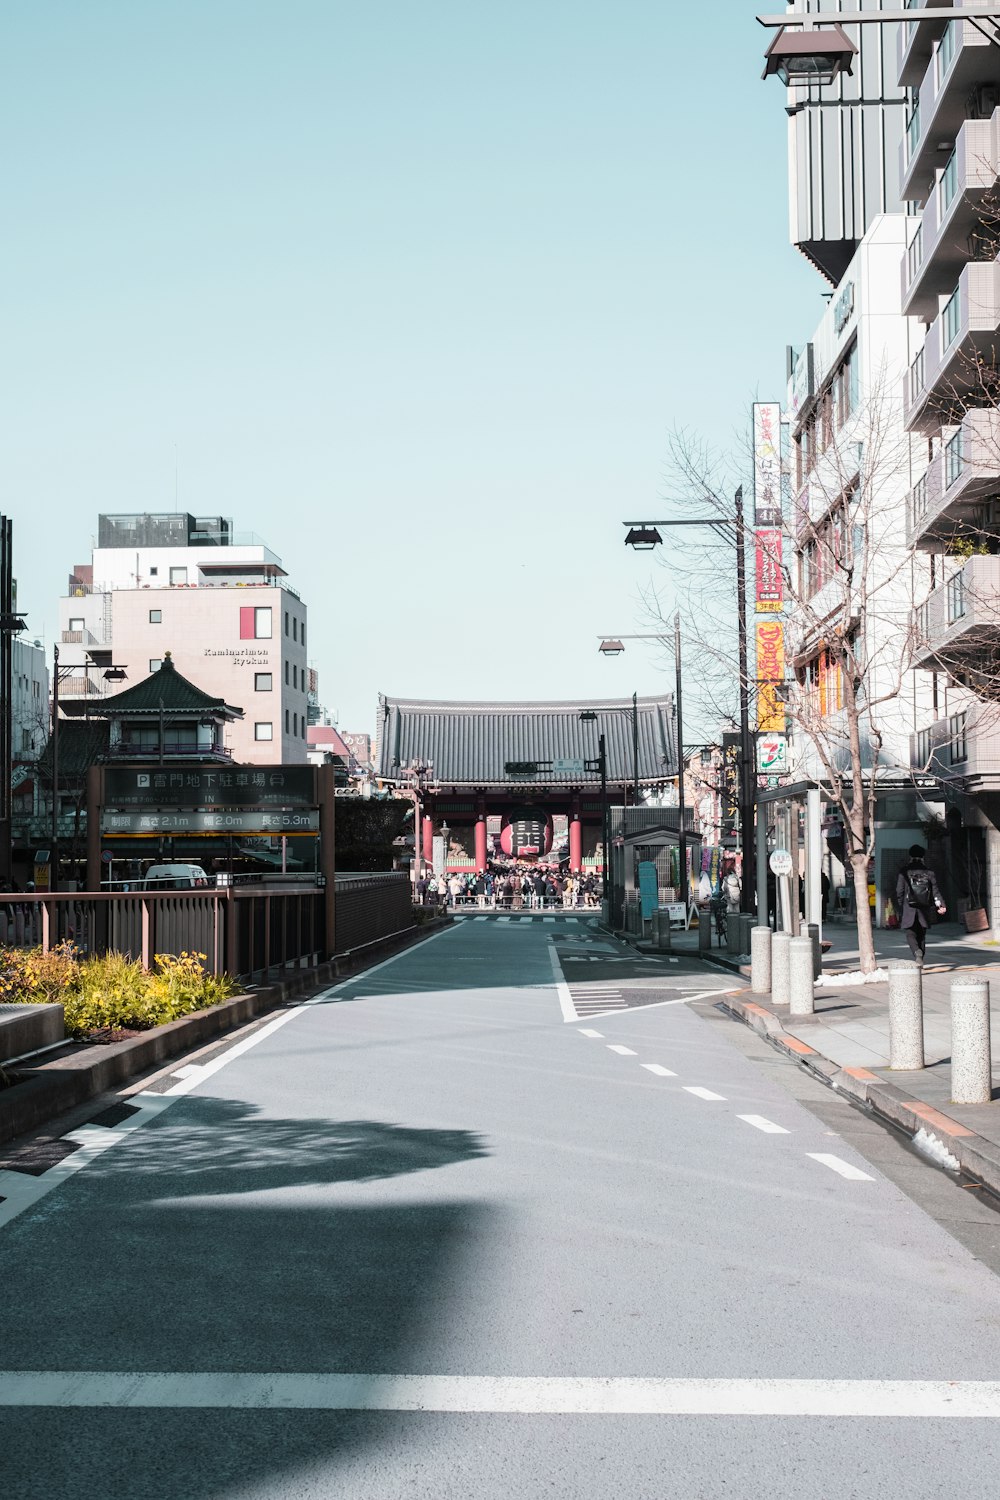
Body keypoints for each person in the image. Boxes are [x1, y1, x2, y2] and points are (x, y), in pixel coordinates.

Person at [896, 845, 946, 964]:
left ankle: (916, 952)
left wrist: (901, 905)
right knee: (921, 934)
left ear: (910, 856)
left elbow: (899, 891)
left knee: (910, 933)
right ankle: (921, 955)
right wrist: (940, 905)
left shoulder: (904, 871)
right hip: (924, 907)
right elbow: (935, 891)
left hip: (909, 907)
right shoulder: (929, 872)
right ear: (923, 856)